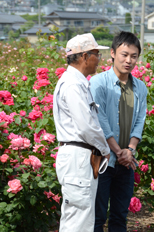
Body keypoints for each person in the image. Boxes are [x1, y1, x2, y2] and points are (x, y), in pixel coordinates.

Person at [90, 31, 147, 232]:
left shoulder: (140, 87)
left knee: (119, 218)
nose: (129, 60)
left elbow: (140, 120)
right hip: (104, 160)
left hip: (126, 162)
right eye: (124, 55)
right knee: (97, 218)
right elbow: (99, 118)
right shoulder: (98, 83)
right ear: (113, 53)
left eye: (133, 56)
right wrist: (118, 151)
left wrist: (130, 150)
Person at [53, 33, 111, 232]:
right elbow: (86, 125)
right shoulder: (73, 84)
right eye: (97, 54)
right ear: (84, 56)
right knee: (78, 220)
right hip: (78, 157)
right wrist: (105, 149)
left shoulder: (76, 81)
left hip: (79, 156)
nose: (99, 60)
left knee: (79, 217)